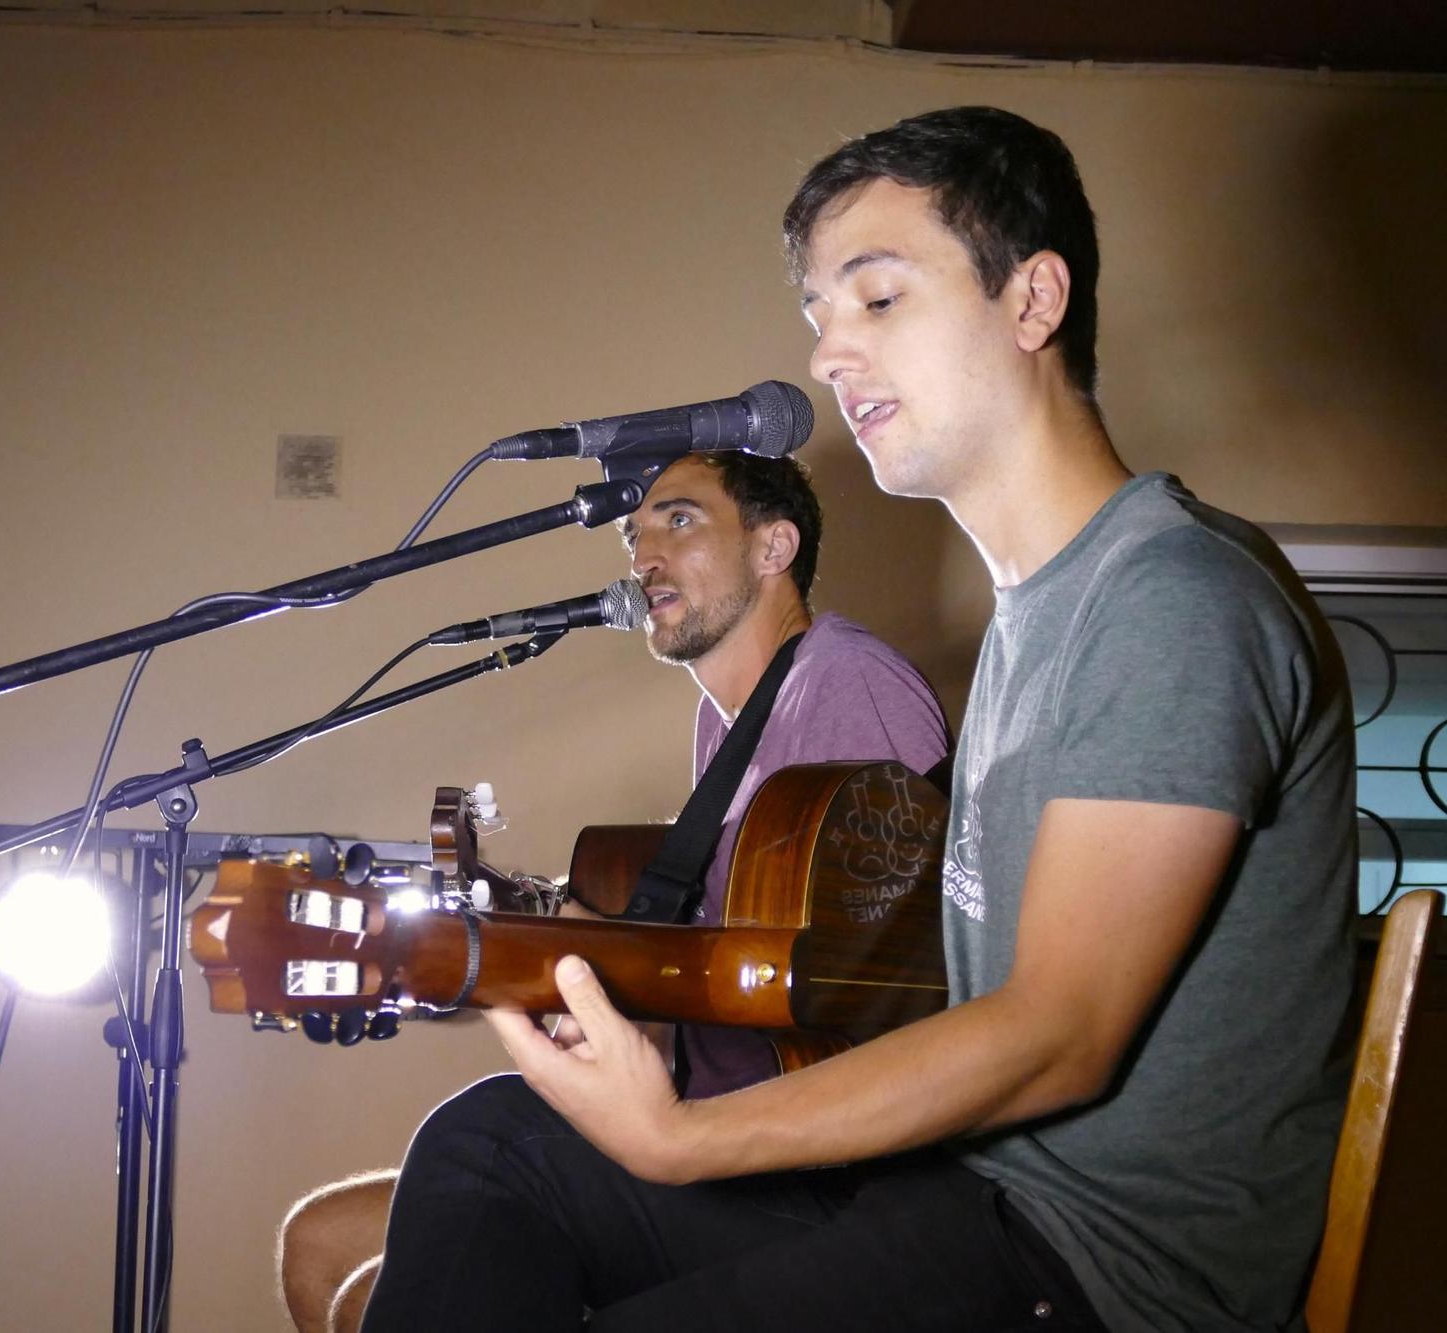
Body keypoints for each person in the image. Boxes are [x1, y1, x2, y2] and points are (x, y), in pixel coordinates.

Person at [359, 106, 1358, 1333]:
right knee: (486, 1150)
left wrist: (684, 1138)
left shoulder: (1169, 600)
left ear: (1031, 301)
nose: (830, 356)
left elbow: (1060, 1034)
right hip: (961, 1189)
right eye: (818, 319)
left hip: (1093, 1270)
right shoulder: (1039, 612)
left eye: (876, 300)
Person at [277, 449, 950, 1332]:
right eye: (635, 536)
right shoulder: (725, 724)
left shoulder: (843, 678)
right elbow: (715, 966)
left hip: (824, 1175)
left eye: (679, 521)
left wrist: (634, 1012)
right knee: (324, 1242)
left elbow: (885, 984)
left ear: (774, 545)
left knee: (483, 1139)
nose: (643, 556)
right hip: (716, 1126)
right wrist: (560, 955)